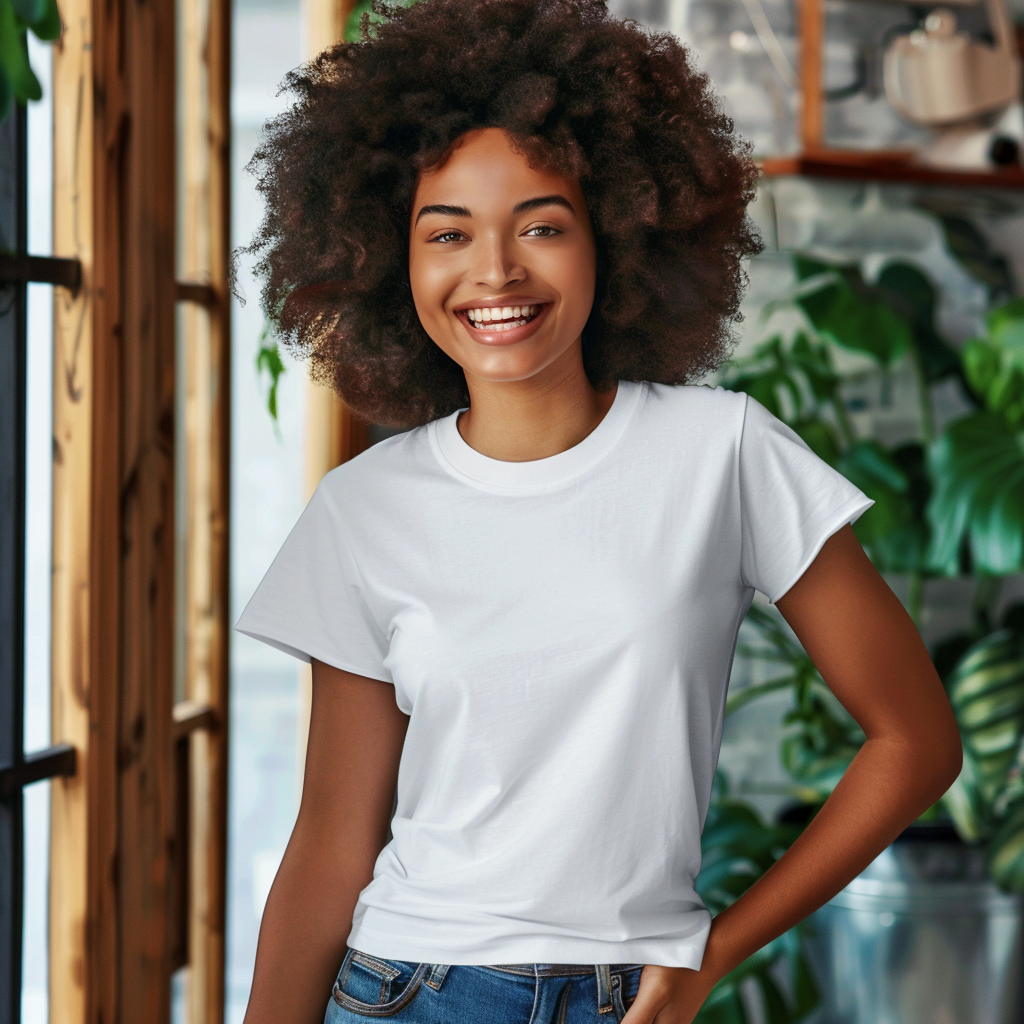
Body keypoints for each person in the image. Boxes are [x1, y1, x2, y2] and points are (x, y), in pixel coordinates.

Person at [233, 0, 963, 1021]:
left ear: (616, 231)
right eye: (448, 233)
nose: (493, 271)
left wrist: (716, 949)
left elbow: (917, 742)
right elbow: (330, 843)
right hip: (409, 991)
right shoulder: (362, 509)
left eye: (541, 225)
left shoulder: (723, 452)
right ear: (387, 259)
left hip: (637, 997)